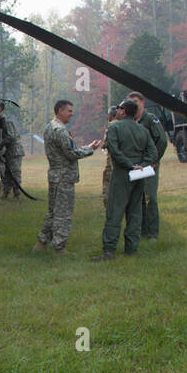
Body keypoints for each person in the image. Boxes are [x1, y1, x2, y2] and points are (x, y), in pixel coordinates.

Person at [33, 99, 100, 255]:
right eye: (69, 111)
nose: (72, 114)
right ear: (60, 111)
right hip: (64, 178)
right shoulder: (60, 130)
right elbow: (71, 153)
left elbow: (68, 149)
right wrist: (91, 150)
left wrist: (86, 147)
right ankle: (59, 248)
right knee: (63, 214)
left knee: (52, 212)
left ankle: (41, 243)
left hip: (55, 176)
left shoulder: (50, 127)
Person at [92, 98, 153, 261]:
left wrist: (130, 165)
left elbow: (113, 148)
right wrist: (141, 165)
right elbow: (152, 152)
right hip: (139, 174)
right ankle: (131, 250)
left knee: (115, 211)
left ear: (123, 111)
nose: (117, 111)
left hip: (121, 174)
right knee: (135, 212)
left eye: (119, 108)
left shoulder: (114, 127)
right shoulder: (143, 130)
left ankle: (109, 251)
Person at [130, 93, 170, 241]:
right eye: (131, 102)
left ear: (142, 103)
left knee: (150, 198)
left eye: (136, 101)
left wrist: (154, 159)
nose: (134, 104)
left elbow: (162, 141)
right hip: (137, 165)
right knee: (138, 198)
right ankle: (142, 230)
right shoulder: (132, 121)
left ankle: (153, 233)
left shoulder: (151, 119)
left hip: (150, 164)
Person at [0, 102, 25, 200]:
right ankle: (6, 193)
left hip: (15, 151)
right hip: (10, 151)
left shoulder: (6, 123)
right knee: (7, 173)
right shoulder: (4, 122)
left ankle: (16, 194)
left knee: (15, 173)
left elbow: (10, 137)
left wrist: (0, 146)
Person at [101, 104, 122, 207]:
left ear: (110, 115)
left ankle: (110, 208)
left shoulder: (112, 125)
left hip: (112, 162)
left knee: (108, 185)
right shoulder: (125, 124)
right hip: (125, 161)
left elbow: (105, 144)